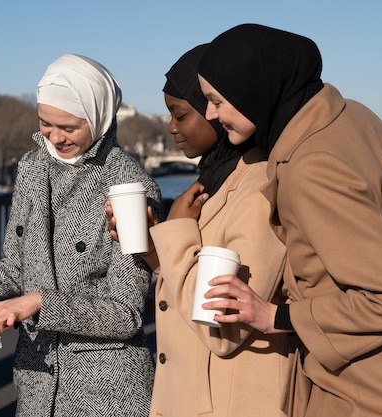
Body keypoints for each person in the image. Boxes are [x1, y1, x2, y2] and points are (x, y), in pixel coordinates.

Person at [196, 23, 382, 417]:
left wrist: (274, 315)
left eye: (216, 100)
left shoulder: (309, 165)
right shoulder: (355, 117)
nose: (211, 114)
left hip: (368, 387)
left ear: (251, 87)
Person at [0, 54, 160, 417]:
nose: (55, 137)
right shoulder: (32, 169)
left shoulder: (129, 188)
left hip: (106, 393)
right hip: (36, 386)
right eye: (45, 123)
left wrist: (40, 304)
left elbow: (124, 314)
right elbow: (13, 272)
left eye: (70, 127)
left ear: (100, 118)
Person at [108, 44, 290, 417]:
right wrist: (153, 249)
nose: (172, 127)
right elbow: (188, 282)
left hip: (230, 401)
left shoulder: (257, 191)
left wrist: (175, 230)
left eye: (181, 114)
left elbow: (222, 330)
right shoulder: (216, 179)